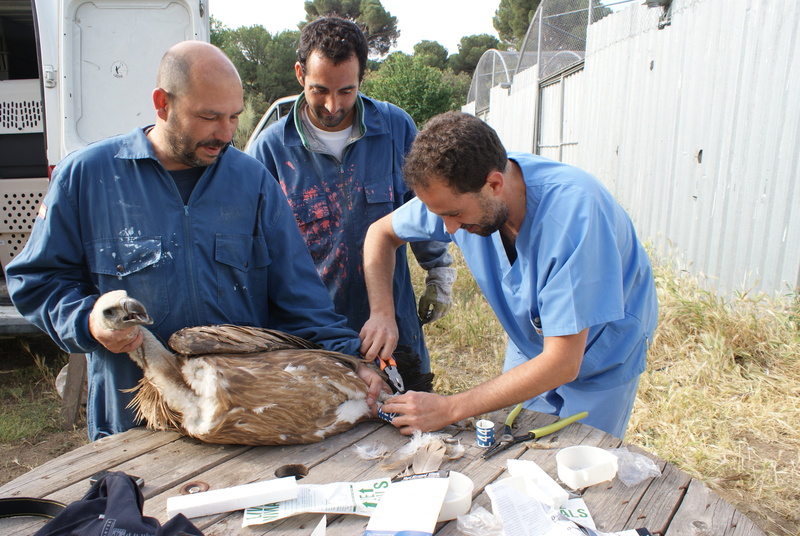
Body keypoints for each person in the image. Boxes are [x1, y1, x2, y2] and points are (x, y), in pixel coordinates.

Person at [5, 41, 385, 441]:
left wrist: (349, 358)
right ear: (162, 104)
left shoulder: (253, 183)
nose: (225, 133)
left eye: (234, 117)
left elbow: (301, 296)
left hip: (240, 420)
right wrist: (88, 321)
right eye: (209, 117)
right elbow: (37, 281)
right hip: (134, 424)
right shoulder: (87, 177)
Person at [360, 111, 658, 439]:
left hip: (600, 357)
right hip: (532, 340)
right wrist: (382, 314)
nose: (448, 229)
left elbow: (562, 362)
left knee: (579, 458)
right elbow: (380, 234)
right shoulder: (457, 192)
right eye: (439, 215)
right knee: (517, 444)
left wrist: (449, 408)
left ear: (495, 184)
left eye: (455, 214)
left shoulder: (574, 218)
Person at [247, 17, 455, 392]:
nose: (332, 105)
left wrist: (439, 270)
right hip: (315, 332)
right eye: (319, 90)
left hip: (392, 321)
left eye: (346, 91)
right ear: (299, 74)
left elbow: (424, 207)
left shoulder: (396, 129)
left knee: (407, 424)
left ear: (362, 76)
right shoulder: (269, 151)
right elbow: (260, 254)